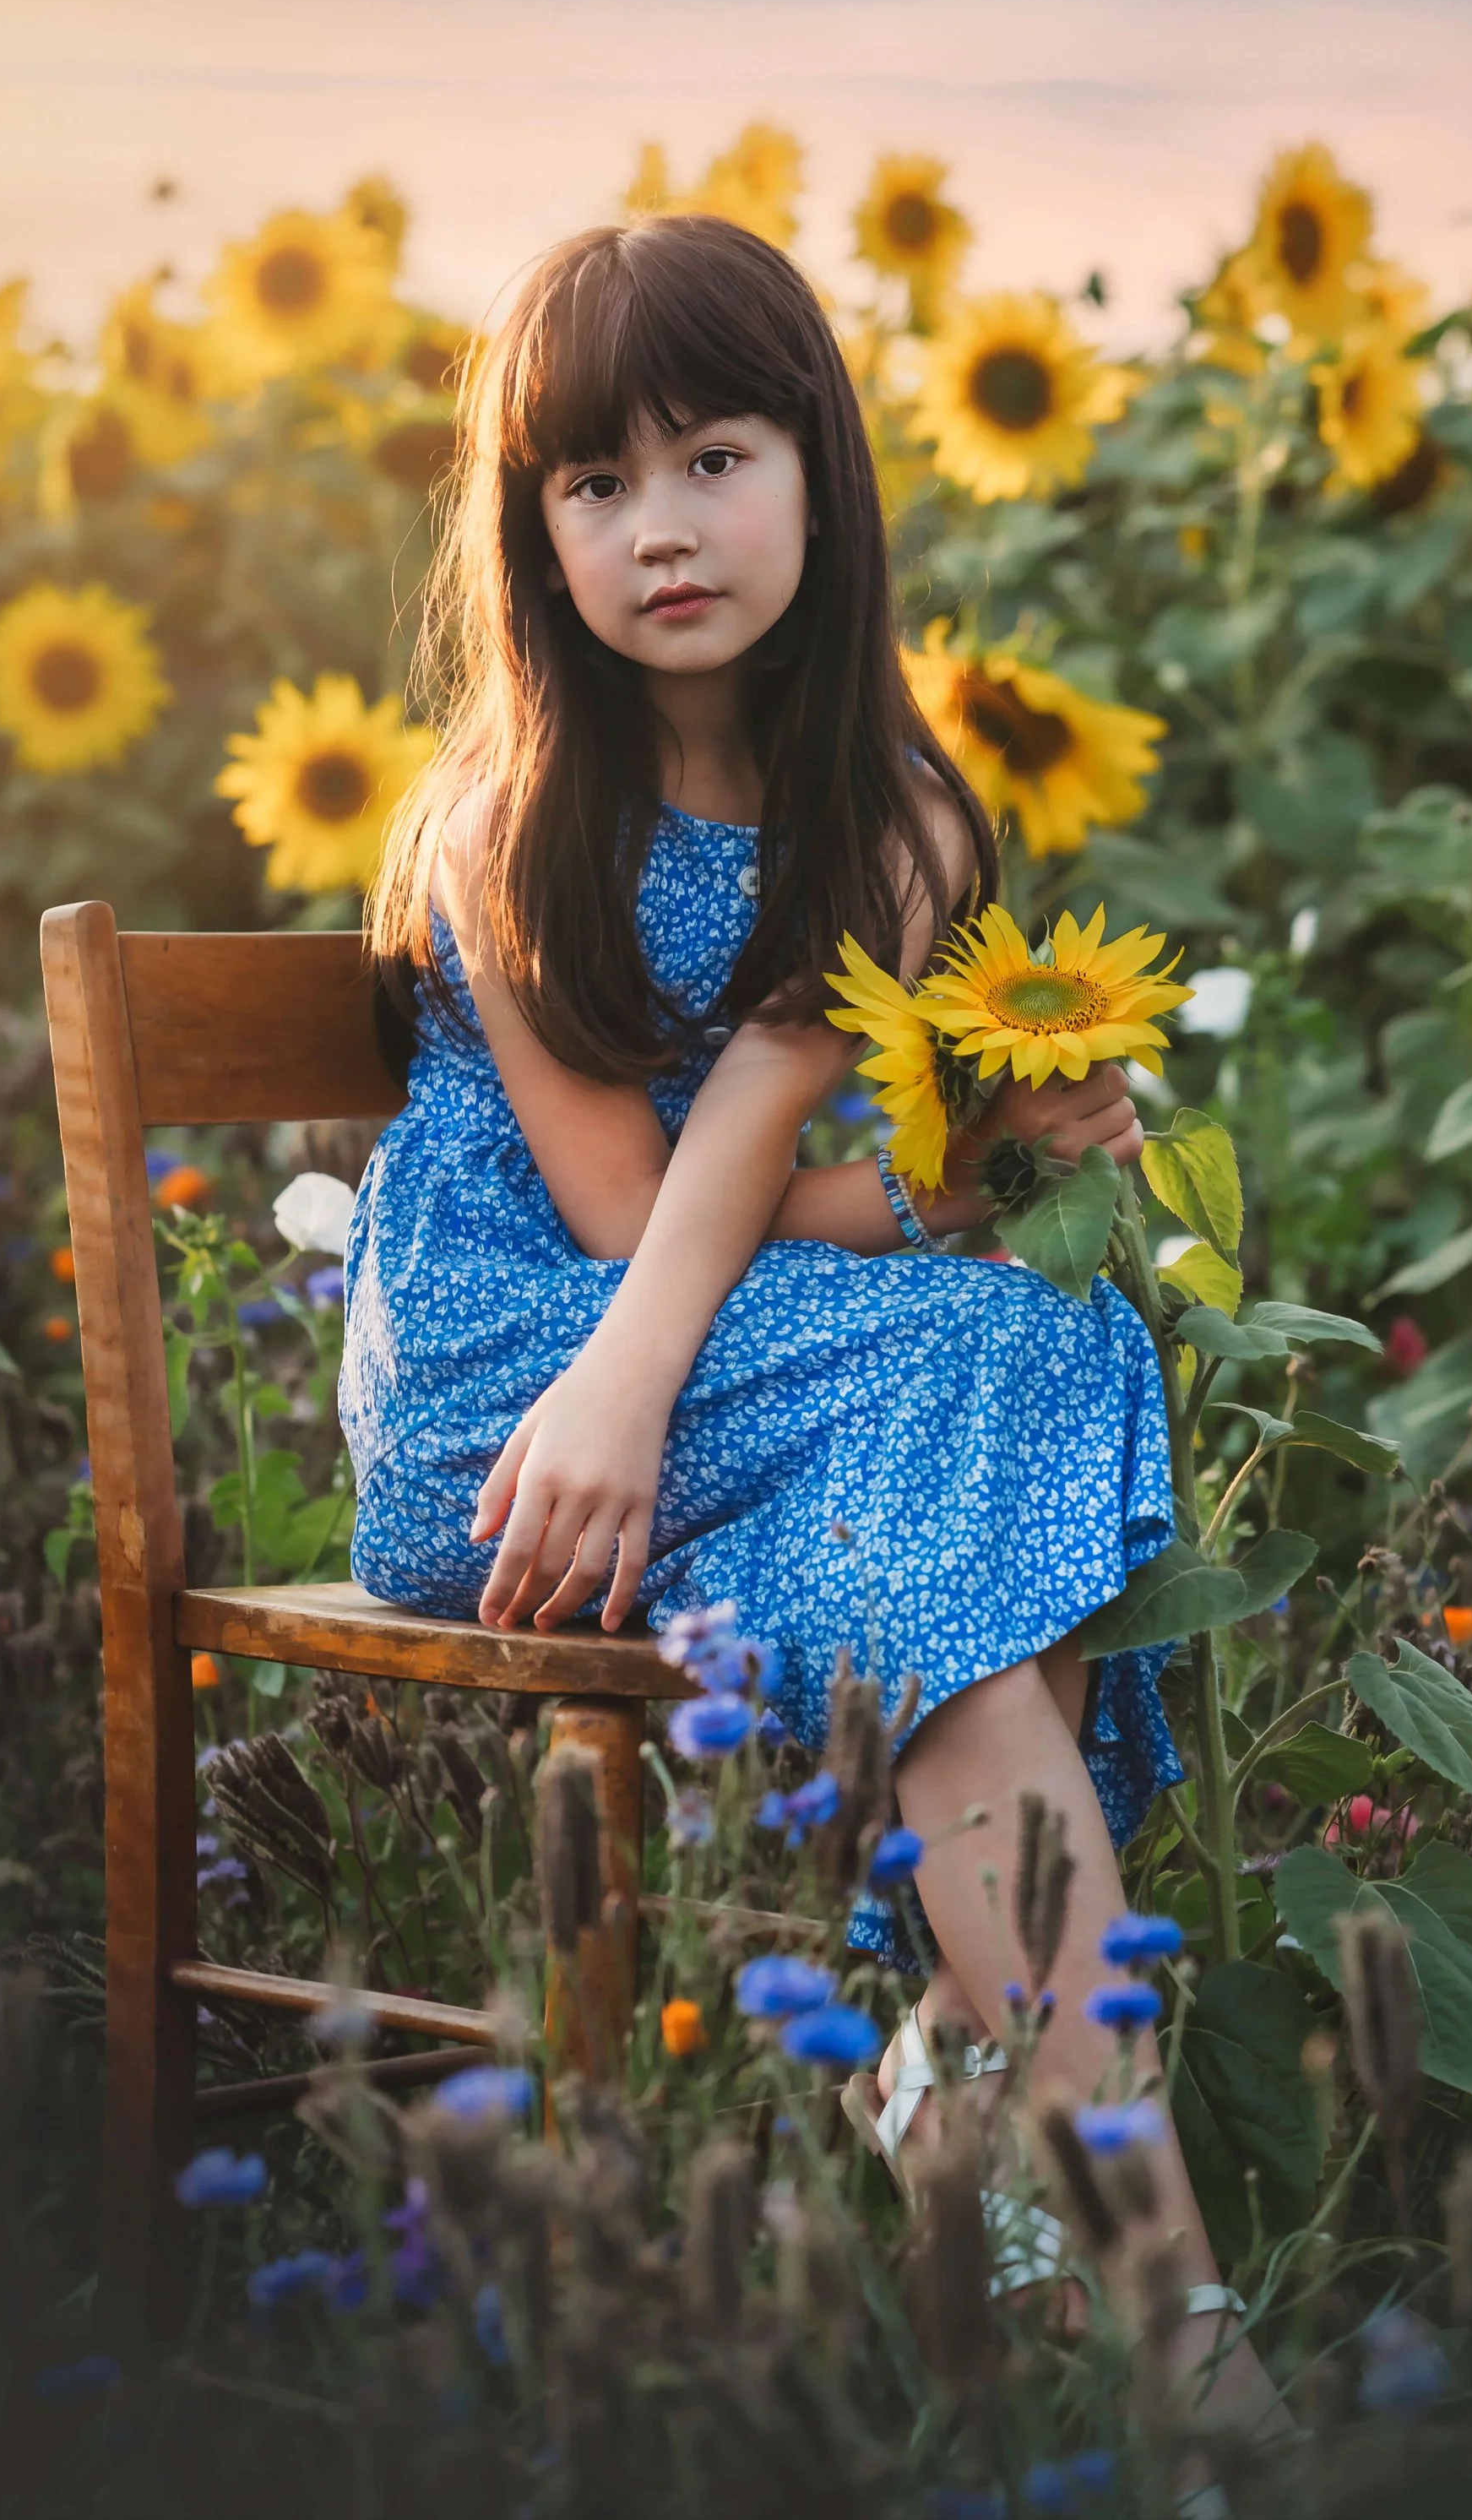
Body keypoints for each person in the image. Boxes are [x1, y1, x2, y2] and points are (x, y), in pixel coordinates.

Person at [344, 214, 1285, 2448]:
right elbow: (621, 1220)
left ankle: (1036, 2168)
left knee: (1042, 1329)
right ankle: (1132, 2264)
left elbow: (785, 1169)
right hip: (527, 1402)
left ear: (818, 475)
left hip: (728, 1361)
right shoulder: (510, 815)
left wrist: (995, 1164)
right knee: (974, 1343)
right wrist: (926, 1191)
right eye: (591, 484)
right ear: (528, 527)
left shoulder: (899, 817)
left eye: (712, 456)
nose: (656, 527)